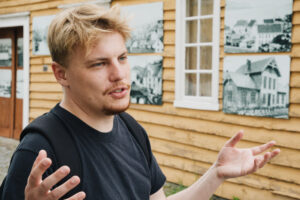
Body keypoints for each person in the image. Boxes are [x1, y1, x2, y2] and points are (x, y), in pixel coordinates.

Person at [0, 4, 280, 200]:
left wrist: (216, 174)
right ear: (61, 74)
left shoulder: (131, 130)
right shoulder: (40, 152)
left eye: (122, 58)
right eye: (99, 64)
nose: (118, 73)